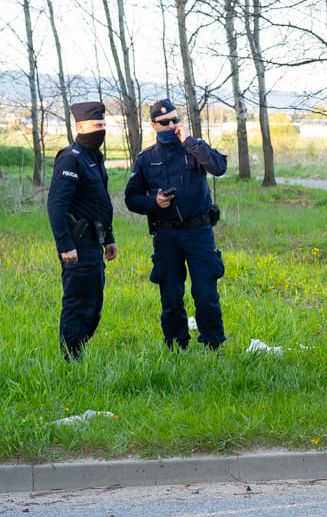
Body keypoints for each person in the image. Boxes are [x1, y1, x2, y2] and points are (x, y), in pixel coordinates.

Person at [125, 99, 227, 350]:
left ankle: (213, 346)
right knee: (170, 295)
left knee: (205, 294)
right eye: (164, 122)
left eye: (175, 120)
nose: (171, 125)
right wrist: (154, 202)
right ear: (153, 126)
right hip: (167, 235)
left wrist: (190, 142)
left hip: (199, 232)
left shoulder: (193, 148)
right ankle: (175, 345)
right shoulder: (146, 158)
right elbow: (131, 199)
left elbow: (219, 167)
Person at [47, 101, 118, 361]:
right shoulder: (70, 158)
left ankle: (78, 354)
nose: (100, 130)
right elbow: (56, 204)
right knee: (78, 304)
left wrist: (108, 238)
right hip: (77, 246)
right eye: (95, 125)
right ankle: (70, 361)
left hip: (94, 244)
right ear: (79, 127)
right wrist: (65, 245)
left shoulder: (94, 158)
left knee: (93, 305)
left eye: (103, 125)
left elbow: (99, 202)